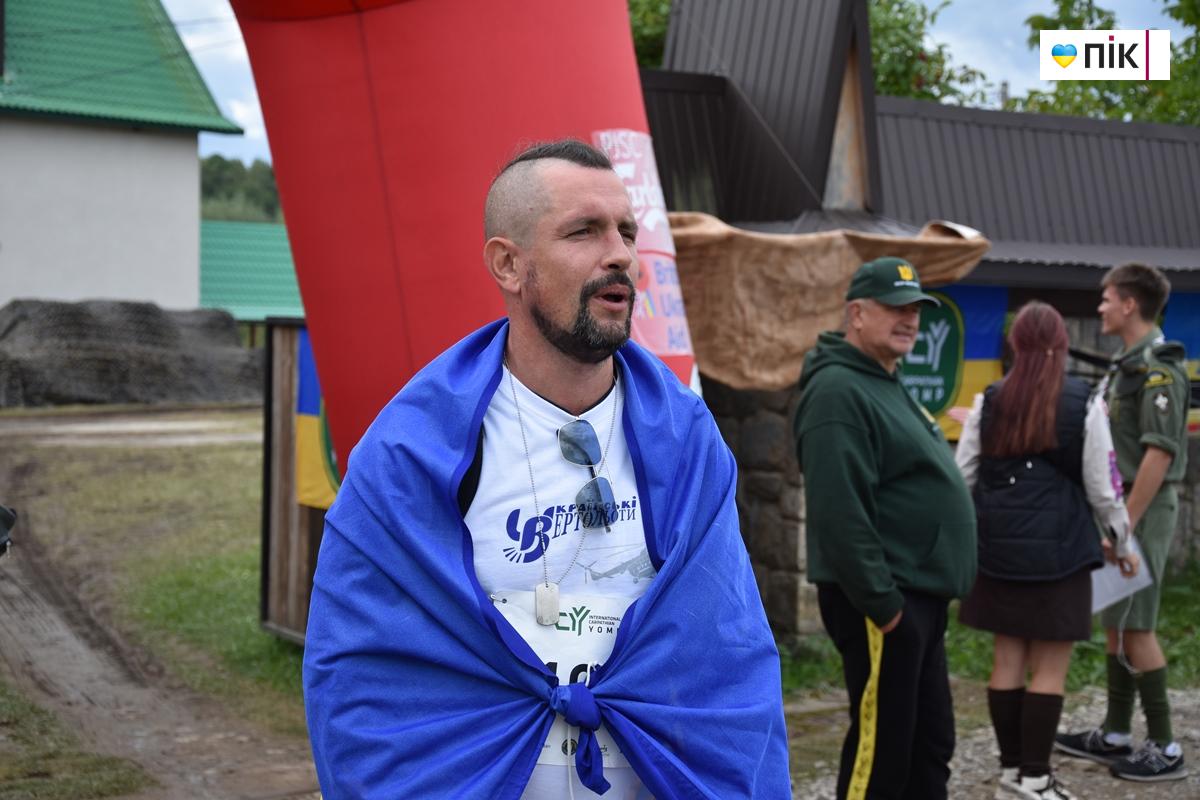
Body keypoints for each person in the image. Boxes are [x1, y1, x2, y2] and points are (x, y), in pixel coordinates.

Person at [302, 139, 790, 799]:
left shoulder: (686, 440)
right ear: (509, 264)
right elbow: (360, 672)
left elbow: (728, 656)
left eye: (625, 230)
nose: (619, 253)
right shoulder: (413, 450)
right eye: (583, 232)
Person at [792, 257, 977, 800]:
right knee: (883, 751)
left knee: (929, 742)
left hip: (917, 598)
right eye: (895, 308)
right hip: (884, 603)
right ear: (857, 312)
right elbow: (839, 509)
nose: (909, 320)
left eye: (916, 309)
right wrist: (885, 606)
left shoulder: (882, 382)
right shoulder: (837, 391)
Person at [954, 301, 1139, 800]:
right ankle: (1037, 779)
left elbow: (962, 476)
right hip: (1062, 555)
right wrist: (1123, 542)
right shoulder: (1084, 402)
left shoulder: (988, 401)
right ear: (1060, 345)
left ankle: (1012, 774)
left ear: (1015, 346)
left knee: (1006, 660)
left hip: (997, 554)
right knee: (1049, 669)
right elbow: (1104, 488)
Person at [1056, 263, 1191, 782]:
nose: (1101, 308)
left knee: (1138, 627)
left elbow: (1158, 454)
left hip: (1142, 511)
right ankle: (1115, 733)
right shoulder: (1128, 364)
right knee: (1117, 621)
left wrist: (1122, 528)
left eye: (1107, 299)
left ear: (1130, 305)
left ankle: (1165, 746)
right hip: (1123, 512)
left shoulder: (1159, 368)